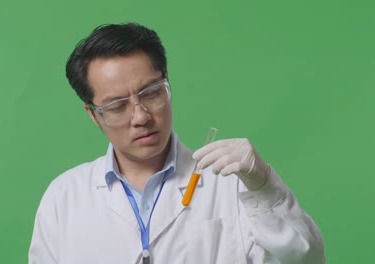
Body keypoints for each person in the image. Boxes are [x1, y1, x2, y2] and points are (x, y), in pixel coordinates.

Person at [29, 23, 325, 264]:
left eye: (152, 92)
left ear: (167, 83)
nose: (141, 116)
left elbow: (307, 260)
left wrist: (263, 186)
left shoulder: (231, 185)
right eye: (118, 106)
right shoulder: (64, 198)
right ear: (94, 115)